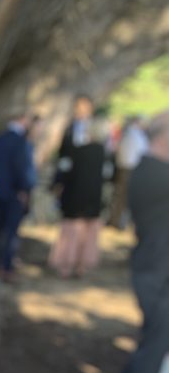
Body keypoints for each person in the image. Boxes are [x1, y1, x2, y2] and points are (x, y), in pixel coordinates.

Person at [111, 109, 169, 373]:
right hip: (156, 270)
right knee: (159, 338)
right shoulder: (156, 174)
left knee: (155, 336)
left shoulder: (152, 169)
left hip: (155, 267)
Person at [49, 105, 113, 278]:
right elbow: (108, 177)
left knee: (71, 232)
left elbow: (65, 171)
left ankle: (66, 265)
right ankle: (80, 266)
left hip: (75, 199)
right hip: (93, 200)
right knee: (87, 233)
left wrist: (56, 185)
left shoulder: (78, 152)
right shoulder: (105, 155)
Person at [0, 111, 36, 282]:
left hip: (1, 190)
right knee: (11, 231)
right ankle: (7, 266)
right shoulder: (20, 141)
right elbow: (22, 169)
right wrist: (24, 189)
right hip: (15, 192)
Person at [109, 115, 149, 229]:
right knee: (125, 197)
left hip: (123, 168)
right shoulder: (136, 135)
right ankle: (120, 222)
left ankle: (116, 220)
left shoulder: (127, 134)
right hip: (130, 169)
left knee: (119, 196)